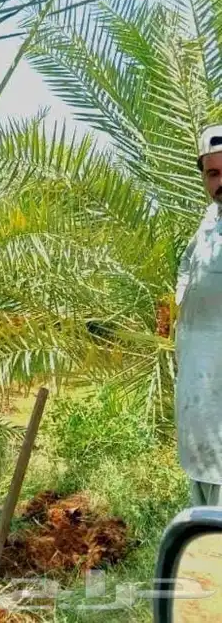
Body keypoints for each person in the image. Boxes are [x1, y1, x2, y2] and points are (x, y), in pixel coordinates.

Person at [175, 124, 222, 506]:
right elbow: (189, 269)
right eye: (213, 173)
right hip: (200, 387)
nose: (220, 181)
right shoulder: (209, 220)